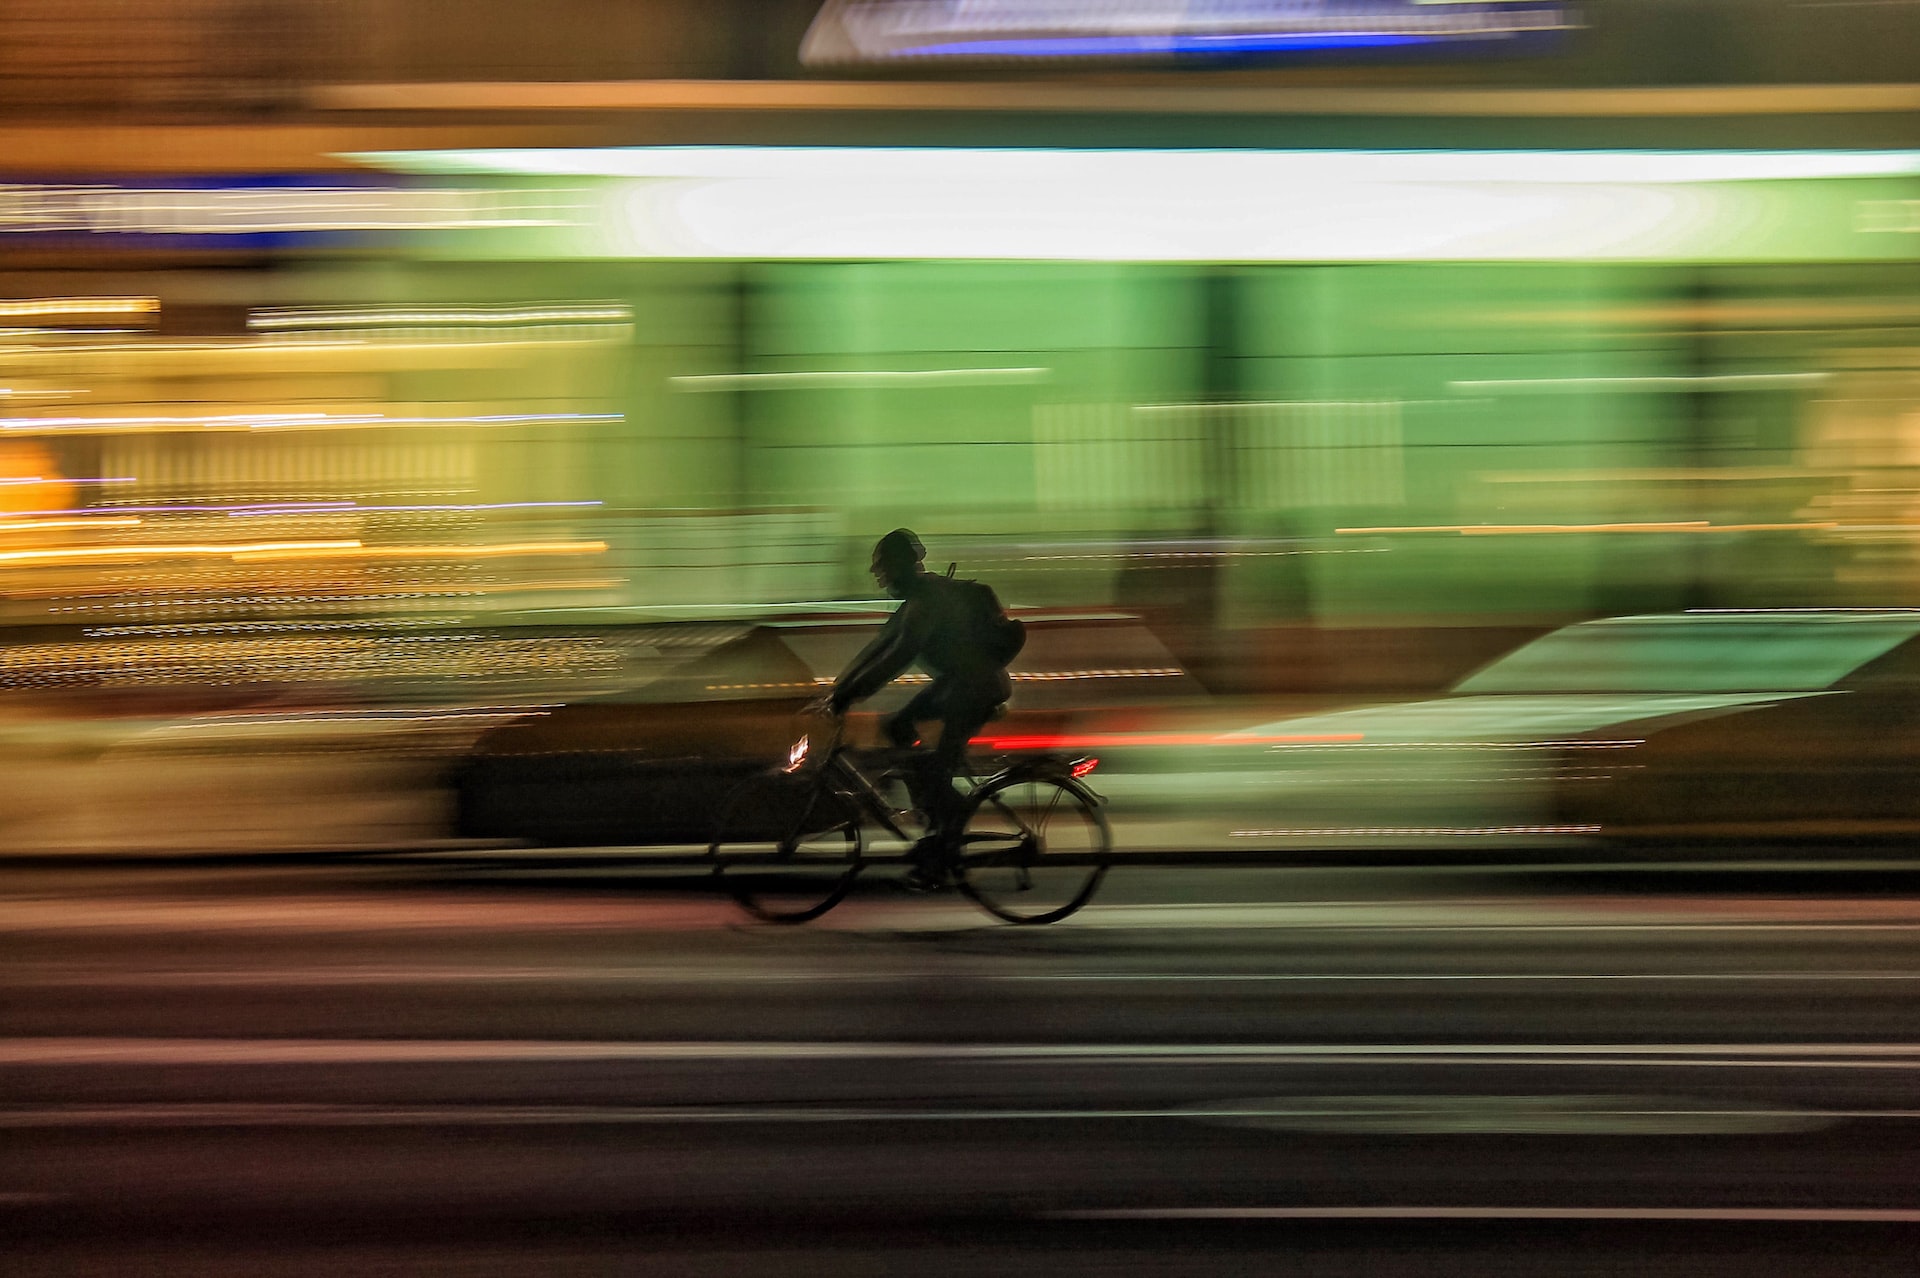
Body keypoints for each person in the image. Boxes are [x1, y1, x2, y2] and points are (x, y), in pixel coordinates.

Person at [824, 528, 1016, 890]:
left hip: (976, 690)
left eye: (882, 567)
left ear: (902, 565)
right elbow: (878, 648)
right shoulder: (915, 602)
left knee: (937, 771)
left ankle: (943, 848)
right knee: (898, 729)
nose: (878, 575)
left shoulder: (928, 601)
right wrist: (839, 688)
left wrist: (849, 696)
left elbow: (898, 656)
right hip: (960, 684)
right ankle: (933, 817)